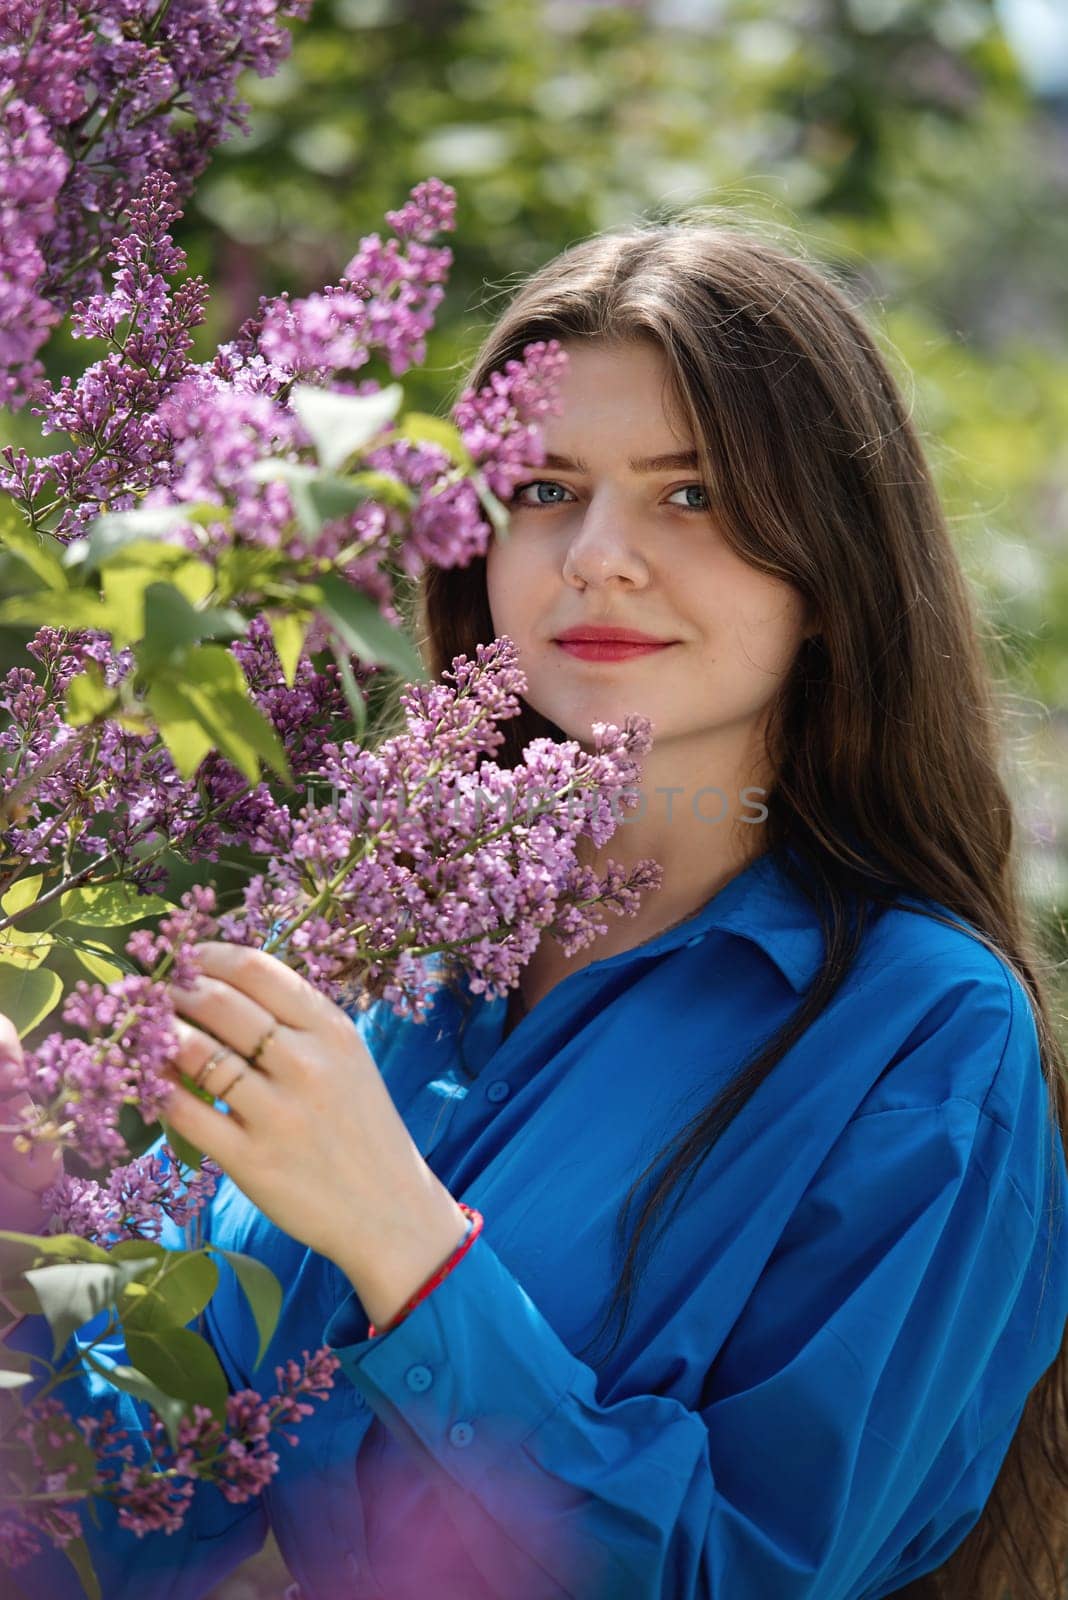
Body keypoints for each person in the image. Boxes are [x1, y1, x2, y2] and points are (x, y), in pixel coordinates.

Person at [4, 214, 1068, 1600]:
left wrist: (404, 1243)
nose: (600, 556)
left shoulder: (923, 1043)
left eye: (691, 496)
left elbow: (747, 1574)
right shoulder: (354, 948)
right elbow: (124, 1500)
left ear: (833, 571)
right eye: (547, 489)